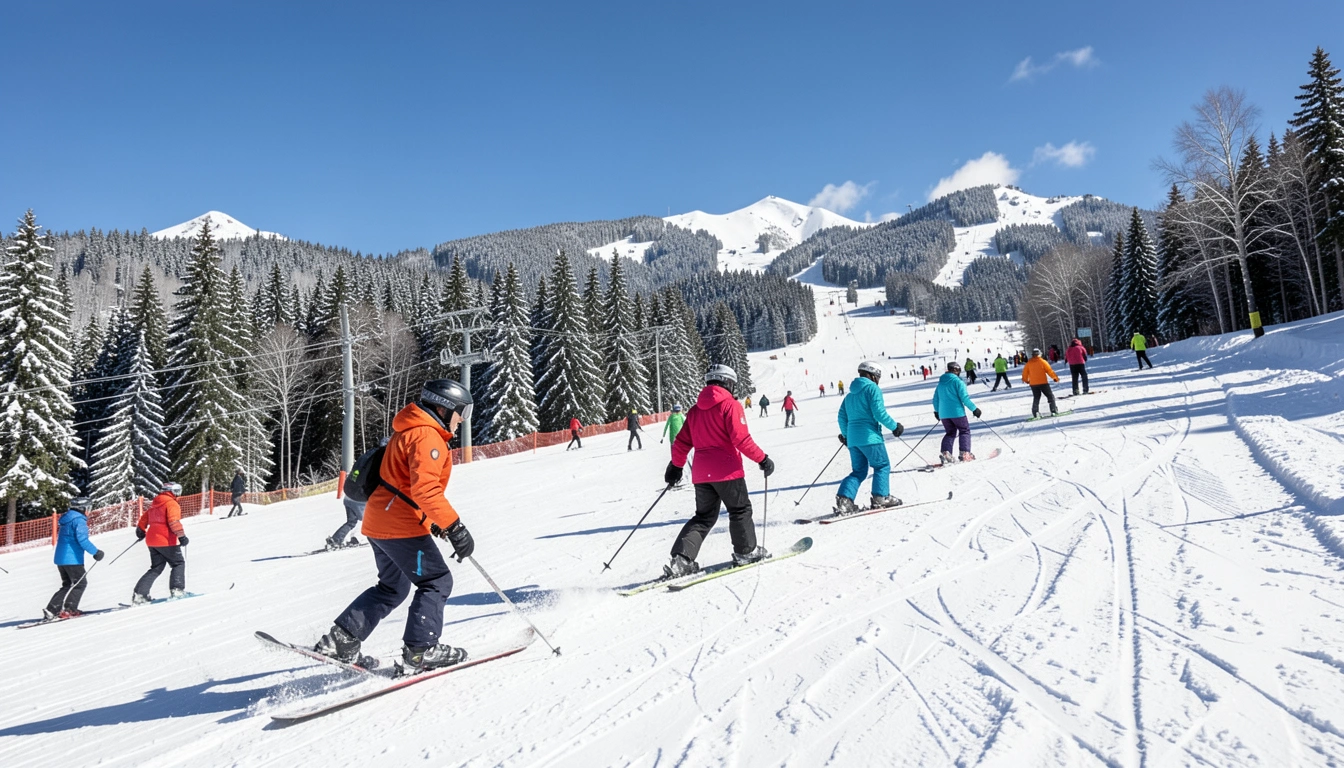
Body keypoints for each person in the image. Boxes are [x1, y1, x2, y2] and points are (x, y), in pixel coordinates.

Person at [313, 379, 476, 672]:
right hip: (401, 525)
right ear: (445, 407)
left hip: (381, 521)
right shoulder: (428, 437)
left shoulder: (410, 430)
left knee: (392, 587)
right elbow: (425, 490)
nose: (462, 420)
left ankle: (342, 640)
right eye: (462, 412)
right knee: (436, 581)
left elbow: (404, 484)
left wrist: (436, 524)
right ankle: (421, 650)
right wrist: (454, 526)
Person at [661, 365, 773, 578]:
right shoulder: (730, 406)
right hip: (727, 471)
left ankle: (681, 560)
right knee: (739, 510)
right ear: (727, 382)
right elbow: (741, 439)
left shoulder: (694, 411)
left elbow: (681, 442)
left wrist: (676, 466)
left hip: (703, 475)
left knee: (703, 517)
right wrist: (763, 459)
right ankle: (746, 552)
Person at [834, 361, 904, 514]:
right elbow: (879, 413)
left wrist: (847, 436)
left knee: (858, 471)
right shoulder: (872, 389)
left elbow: (841, 417)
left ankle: (845, 500)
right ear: (873, 375)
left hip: (853, 439)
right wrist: (894, 426)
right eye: (878, 377)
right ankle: (881, 497)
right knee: (882, 465)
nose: (878, 380)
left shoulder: (850, 395)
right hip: (870, 437)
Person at [44, 496, 104, 620]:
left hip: (61, 558)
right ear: (82, 508)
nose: (88, 510)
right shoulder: (79, 521)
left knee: (67, 584)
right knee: (80, 583)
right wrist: (96, 552)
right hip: (72, 559)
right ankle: (69, 609)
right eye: (88, 507)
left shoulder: (67, 519)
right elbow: (82, 539)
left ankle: (52, 609)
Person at [133, 482, 188, 603]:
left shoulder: (155, 503)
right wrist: (182, 536)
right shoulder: (171, 503)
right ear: (170, 491)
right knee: (178, 563)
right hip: (166, 540)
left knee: (156, 568)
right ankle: (177, 590)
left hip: (152, 541)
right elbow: (174, 522)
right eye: (176, 490)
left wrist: (141, 530)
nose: (178, 493)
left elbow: (144, 518)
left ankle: (140, 594)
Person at [933, 362, 981, 463]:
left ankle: (946, 453)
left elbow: (935, 399)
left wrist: (937, 412)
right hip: (957, 412)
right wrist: (974, 409)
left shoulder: (940, 383)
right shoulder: (958, 382)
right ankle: (965, 453)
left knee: (950, 433)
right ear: (956, 371)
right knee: (964, 430)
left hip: (944, 414)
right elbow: (965, 398)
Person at [1022, 348, 1061, 418]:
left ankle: (1035, 412)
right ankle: (1053, 410)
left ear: (1033, 355)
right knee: (1050, 396)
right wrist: (1055, 378)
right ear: (1040, 354)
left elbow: (1025, 373)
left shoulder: (1029, 363)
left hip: (1033, 384)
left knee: (1036, 397)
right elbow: (1049, 371)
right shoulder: (1043, 362)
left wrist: (1026, 380)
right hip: (1043, 383)